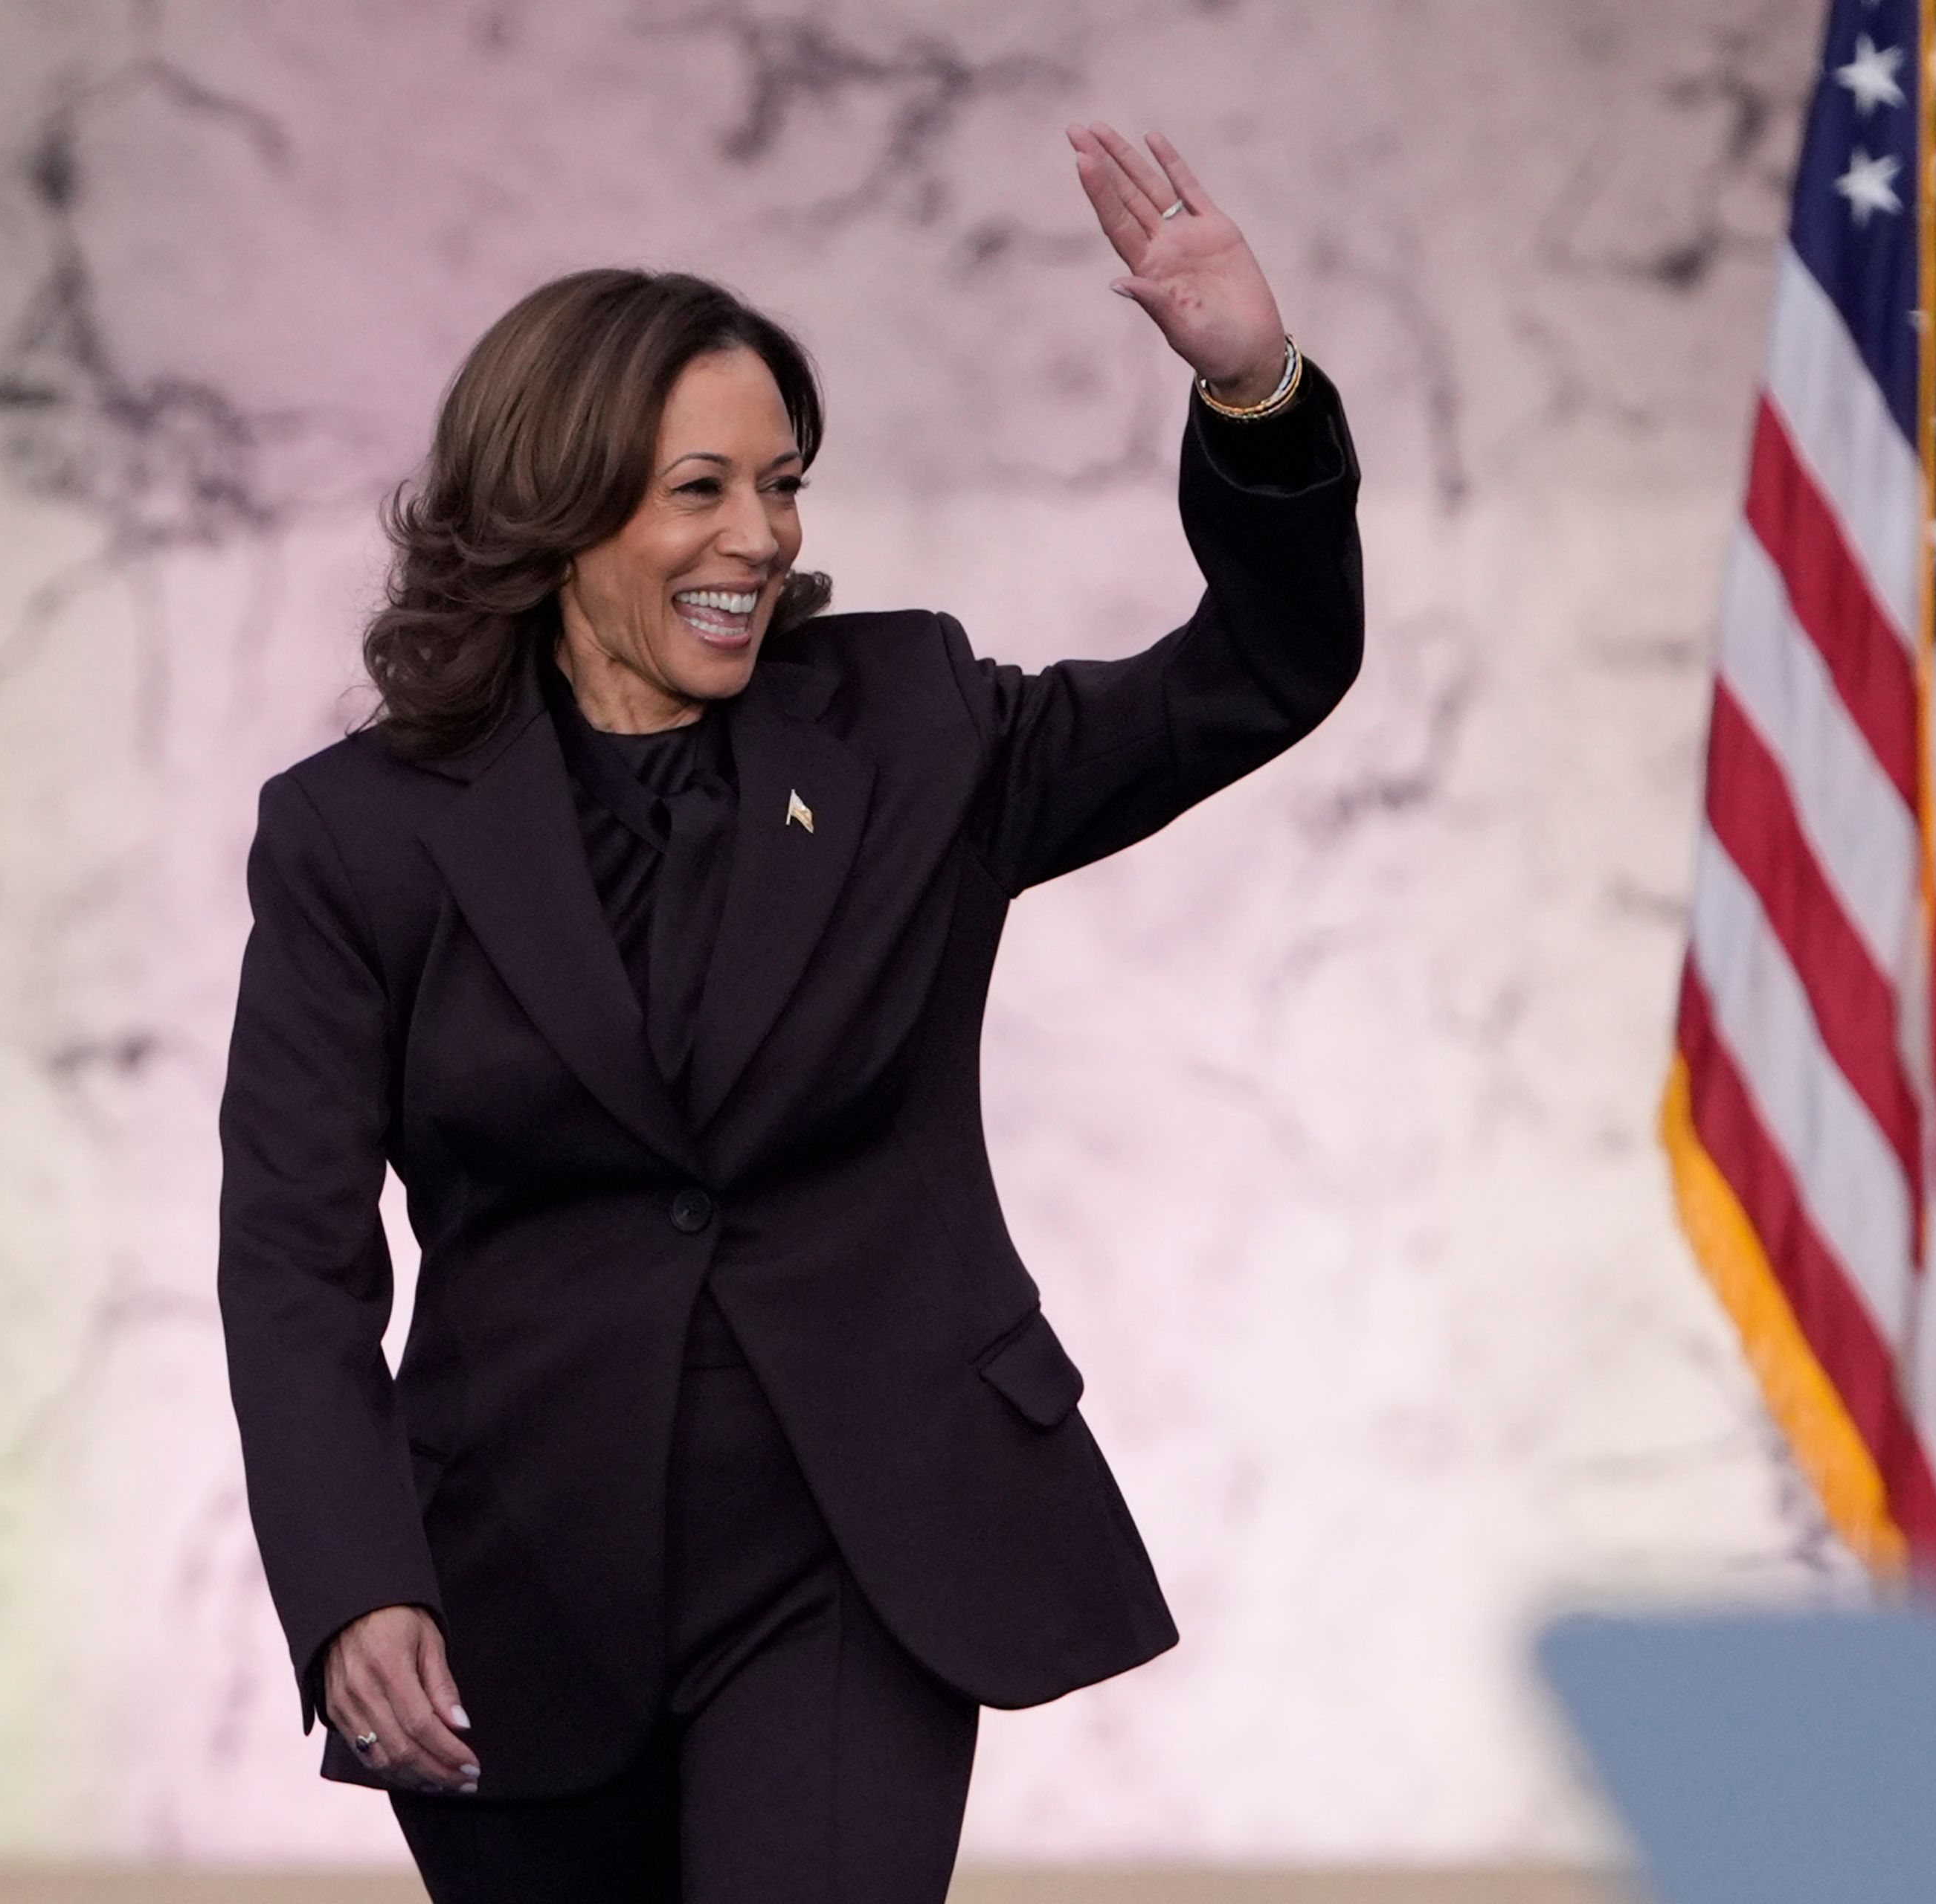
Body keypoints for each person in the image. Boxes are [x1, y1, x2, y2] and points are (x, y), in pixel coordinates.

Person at [216, 123, 1363, 1903]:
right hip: (514, 1577)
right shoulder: (359, 832)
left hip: (856, 1551)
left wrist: (1260, 396)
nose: (761, 536)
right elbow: (292, 1253)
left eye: (787, 484)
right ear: (560, 507)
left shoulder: (913, 728)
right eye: (702, 488)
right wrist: (352, 1576)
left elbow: (1260, 672)